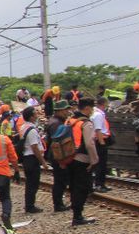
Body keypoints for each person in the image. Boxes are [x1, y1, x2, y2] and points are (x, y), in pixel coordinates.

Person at [66, 98, 100, 226]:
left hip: (69, 158)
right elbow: (90, 144)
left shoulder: (70, 120)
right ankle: (78, 216)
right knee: (82, 187)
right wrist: (94, 160)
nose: (92, 111)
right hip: (82, 159)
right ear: (87, 108)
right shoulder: (86, 123)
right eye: (91, 108)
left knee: (73, 187)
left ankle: (76, 214)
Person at [17, 107, 49, 214]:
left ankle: (29, 205)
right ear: (31, 116)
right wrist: (43, 162)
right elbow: (34, 147)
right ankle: (30, 206)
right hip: (31, 158)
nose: (37, 115)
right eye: (35, 114)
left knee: (30, 183)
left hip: (26, 158)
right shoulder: (32, 130)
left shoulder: (23, 127)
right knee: (33, 183)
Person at [44, 100, 73, 213]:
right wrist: (62, 160)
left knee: (60, 180)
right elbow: (57, 143)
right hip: (57, 155)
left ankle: (59, 203)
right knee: (60, 180)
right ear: (59, 111)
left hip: (55, 155)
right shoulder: (56, 123)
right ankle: (58, 204)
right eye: (66, 109)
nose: (68, 112)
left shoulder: (55, 121)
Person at [91, 96, 112, 192]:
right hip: (100, 141)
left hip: (100, 140)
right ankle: (99, 184)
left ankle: (101, 184)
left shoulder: (97, 114)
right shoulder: (98, 115)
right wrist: (102, 143)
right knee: (100, 164)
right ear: (103, 104)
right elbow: (98, 130)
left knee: (101, 164)